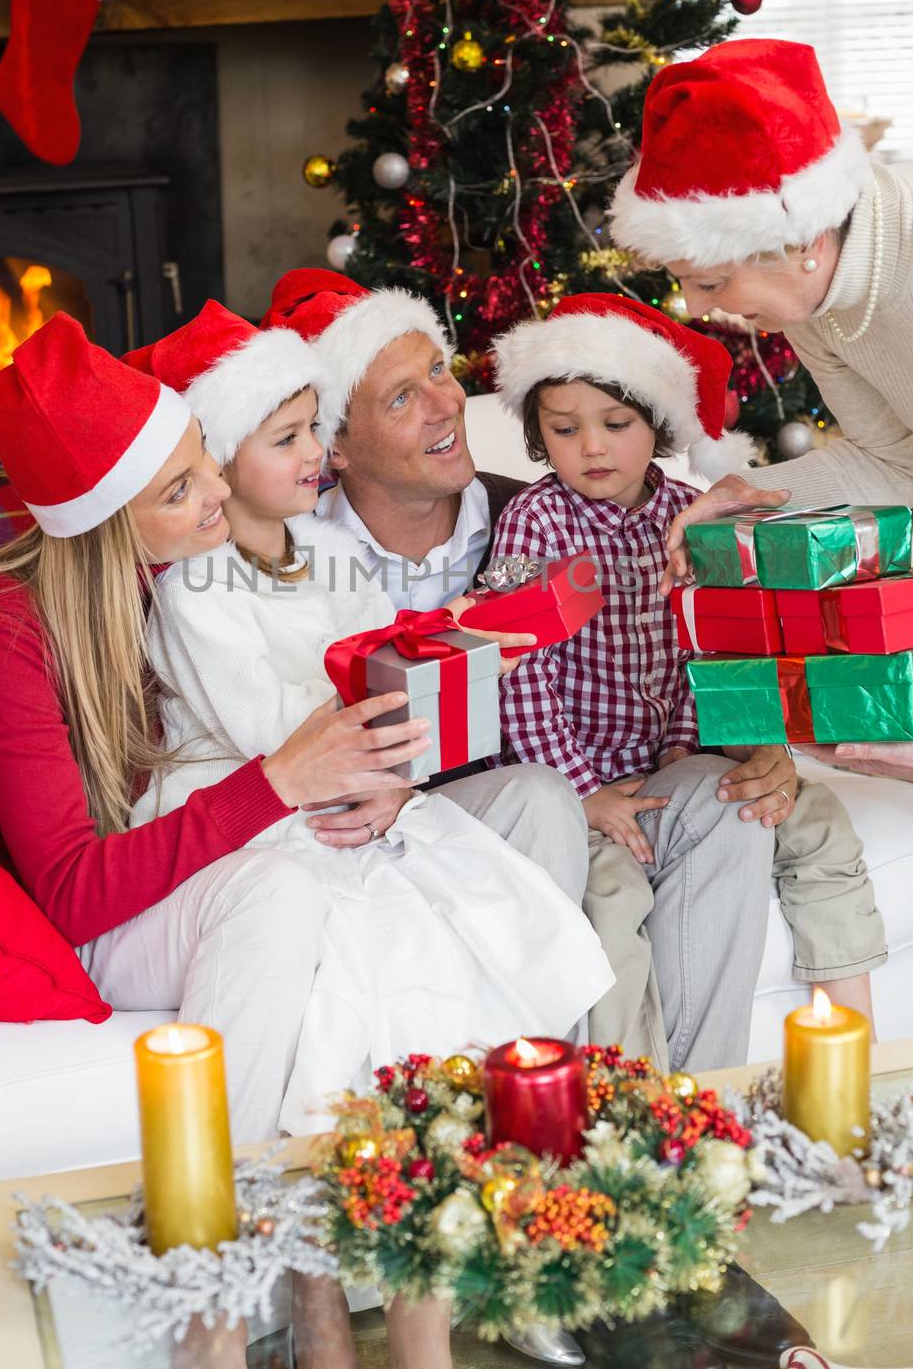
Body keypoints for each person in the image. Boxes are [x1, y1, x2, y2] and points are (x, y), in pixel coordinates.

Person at [0, 314, 443, 1369]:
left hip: (192, 885)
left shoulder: (197, 574)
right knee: (282, 895)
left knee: (363, 890)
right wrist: (279, 782)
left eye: (205, 468)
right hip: (91, 923)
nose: (216, 500)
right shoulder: (6, 624)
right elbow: (68, 891)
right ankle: (214, 1318)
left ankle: (355, 1286)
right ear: (107, 521)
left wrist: (375, 788)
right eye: (182, 491)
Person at [126, 301, 613, 1369]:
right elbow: (272, 736)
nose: (315, 459)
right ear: (218, 462)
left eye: (315, 431)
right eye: (287, 438)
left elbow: (388, 698)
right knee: (365, 953)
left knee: (478, 926)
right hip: (252, 824)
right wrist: (376, 728)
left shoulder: (333, 559)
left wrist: (410, 742)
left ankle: (463, 1261)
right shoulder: (195, 589)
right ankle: (331, 1301)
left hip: (363, 806)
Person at [263, 266, 798, 1069]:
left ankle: (695, 1113)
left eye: (439, 371)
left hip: (599, 779)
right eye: (401, 397)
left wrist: (760, 741)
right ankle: (605, 1114)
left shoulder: (548, 509)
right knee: (544, 801)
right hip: (464, 811)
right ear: (334, 444)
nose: (446, 403)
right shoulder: (292, 559)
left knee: (723, 804)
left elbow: (690, 630)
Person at [490, 291, 886, 1043]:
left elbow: (700, 645)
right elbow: (520, 670)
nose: (592, 448)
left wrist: (682, 742)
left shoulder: (689, 513)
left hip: (673, 758)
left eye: (616, 426)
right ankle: (639, 1089)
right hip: (584, 771)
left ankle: (853, 1045)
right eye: (564, 430)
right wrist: (584, 793)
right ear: (538, 436)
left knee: (792, 815)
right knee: (609, 890)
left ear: (657, 425)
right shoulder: (535, 521)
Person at [607, 36, 913, 789]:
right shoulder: (814, 301)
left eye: (710, 280)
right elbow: (898, 458)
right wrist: (749, 499)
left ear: (801, 242)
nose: (696, 309)